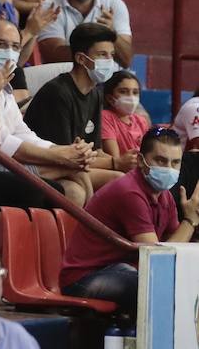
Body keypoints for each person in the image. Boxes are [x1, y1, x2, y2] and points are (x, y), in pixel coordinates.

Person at [59, 127, 199, 315]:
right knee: (158, 286)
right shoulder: (130, 192)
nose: (169, 169)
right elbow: (158, 259)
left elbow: (176, 249)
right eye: (160, 160)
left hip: (121, 270)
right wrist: (190, 220)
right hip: (84, 278)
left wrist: (190, 221)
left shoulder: (164, 195)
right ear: (141, 161)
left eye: (175, 163)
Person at [0, 18, 97, 207]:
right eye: (1, 44)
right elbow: (2, 143)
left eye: (15, 46)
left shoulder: (5, 83)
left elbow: (23, 133)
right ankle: (88, 234)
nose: (9, 51)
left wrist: (63, 151)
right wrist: (61, 156)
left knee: (74, 188)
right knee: (76, 170)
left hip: (10, 162)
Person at [22, 23, 126, 186]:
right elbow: (65, 157)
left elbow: (96, 151)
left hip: (75, 165)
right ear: (81, 59)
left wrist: (127, 163)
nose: (109, 61)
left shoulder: (95, 93)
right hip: (45, 169)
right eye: (102, 55)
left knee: (132, 177)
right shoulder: (57, 93)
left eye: (111, 55)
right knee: (118, 180)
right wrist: (116, 164)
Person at [100, 70, 150, 172]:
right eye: (123, 91)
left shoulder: (141, 121)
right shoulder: (105, 117)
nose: (131, 97)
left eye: (135, 92)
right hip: (121, 173)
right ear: (110, 98)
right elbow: (115, 157)